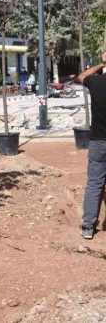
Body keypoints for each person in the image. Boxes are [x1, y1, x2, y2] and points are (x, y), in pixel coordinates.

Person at [76, 52, 106, 239]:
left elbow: (81, 77)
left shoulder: (96, 83)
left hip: (98, 142)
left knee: (94, 184)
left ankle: (88, 226)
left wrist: (101, 63)